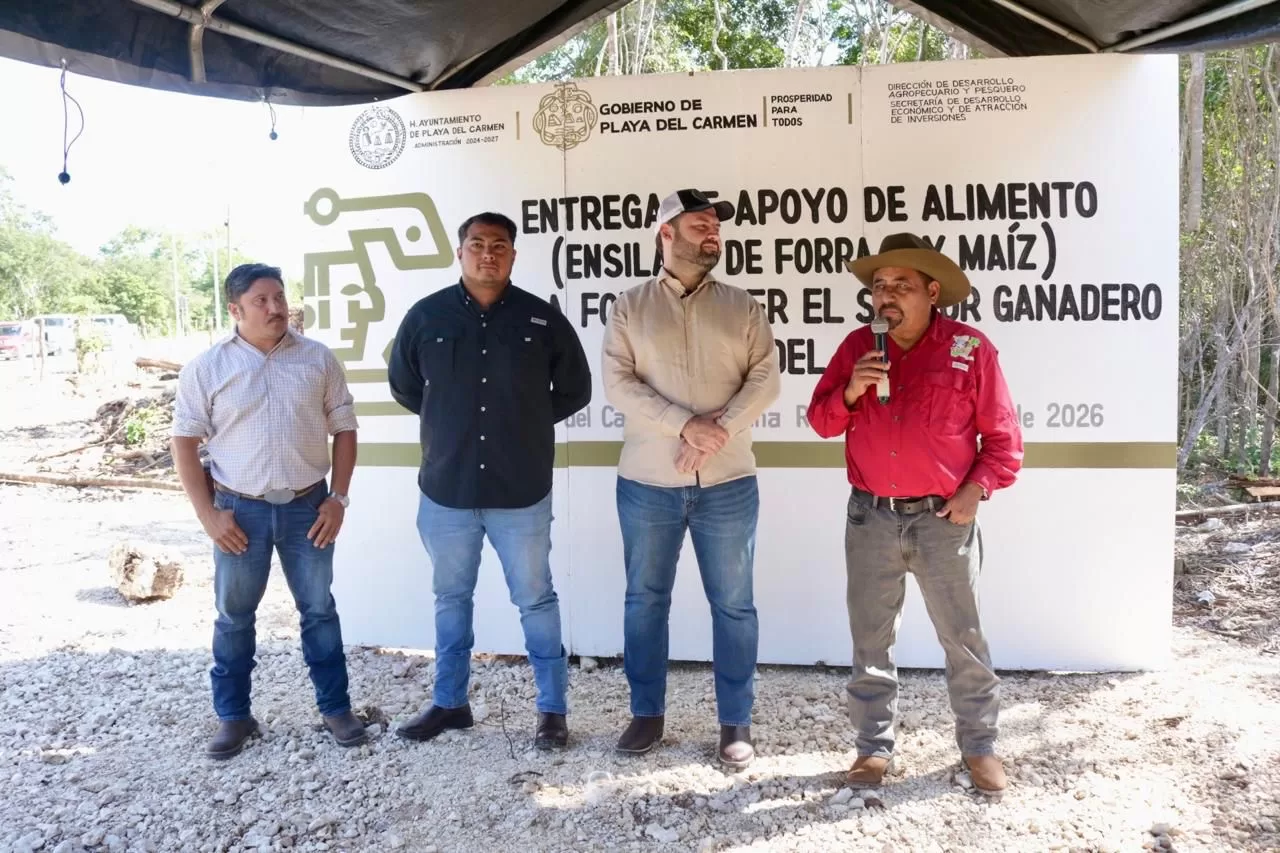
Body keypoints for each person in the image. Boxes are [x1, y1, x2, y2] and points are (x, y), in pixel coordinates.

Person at [806, 233, 1023, 795]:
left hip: (943, 520)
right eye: (879, 285)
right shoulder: (858, 347)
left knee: (963, 638)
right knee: (870, 640)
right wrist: (850, 391)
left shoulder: (970, 350)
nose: (886, 295)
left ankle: (980, 746)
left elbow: (1004, 441)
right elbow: (822, 422)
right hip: (870, 518)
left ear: (932, 292)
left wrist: (975, 490)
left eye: (901, 284)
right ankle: (872, 749)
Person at [387, 211, 592, 750]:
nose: (487, 254)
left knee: (536, 600)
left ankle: (552, 711)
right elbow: (405, 385)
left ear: (513, 255)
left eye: (499, 245)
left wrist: (523, 421)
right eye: (476, 244)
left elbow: (576, 389)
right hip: (446, 490)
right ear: (460, 252)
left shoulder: (541, 319)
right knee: (450, 599)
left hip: (520, 490)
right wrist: (453, 420)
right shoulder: (426, 316)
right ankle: (450, 703)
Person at [601, 188, 781, 770]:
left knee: (734, 606)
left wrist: (715, 431)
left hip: (728, 482)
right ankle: (646, 714)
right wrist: (684, 425)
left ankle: (735, 722)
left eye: (715, 227)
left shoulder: (742, 306)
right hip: (647, 483)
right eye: (700, 225)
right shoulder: (629, 306)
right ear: (666, 233)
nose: (712, 234)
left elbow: (766, 380)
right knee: (644, 601)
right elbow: (618, 383)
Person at [171, 262, 367, 760]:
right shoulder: (206, 368)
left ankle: (336, 709)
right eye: (261, 300)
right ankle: (233, 717)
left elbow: (345, 428)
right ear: (235, 309)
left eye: (279, 297)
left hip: (309, 508)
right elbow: (184, 443)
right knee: (235, 616)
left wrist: (339, 498)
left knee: (319, 610)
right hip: (239, 513)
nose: (276, 307)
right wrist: (209, 516)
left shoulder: (317, 359)